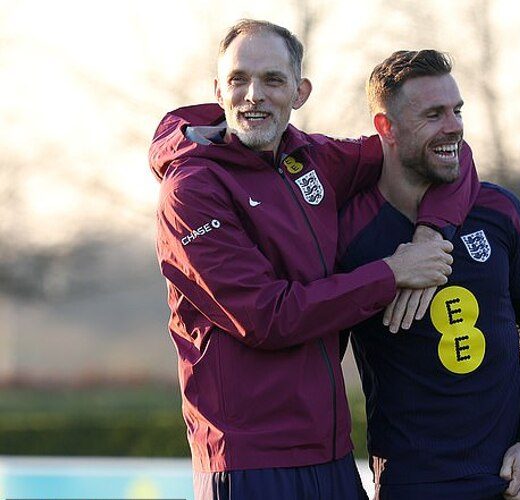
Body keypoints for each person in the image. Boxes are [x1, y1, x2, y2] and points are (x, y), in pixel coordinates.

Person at [149, 20, 480, 500]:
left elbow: (444, 151)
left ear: (300, 92)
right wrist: (392, 274)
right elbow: (267, 316)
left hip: (332, 456)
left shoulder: (314, 158)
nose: (253, 96)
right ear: (217, 89)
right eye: (238, 80)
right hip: (249, 464)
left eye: (273, 80)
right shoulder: (191, 189)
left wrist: (430, 237)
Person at [337, 50, 520, 500]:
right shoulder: (347, 234)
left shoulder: (501, 211)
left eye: (457, 110)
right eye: (434, 114)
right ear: (387, 128)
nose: (454, 126)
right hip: (414, 485)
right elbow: (315, 364)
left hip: (511, 483)